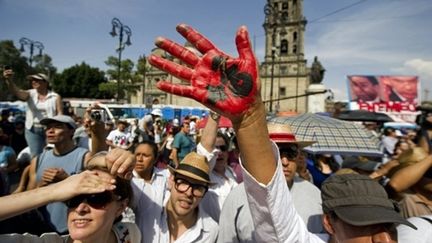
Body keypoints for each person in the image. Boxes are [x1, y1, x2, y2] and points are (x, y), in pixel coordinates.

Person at [148, 23, 415, 242]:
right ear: (329, 224)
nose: (384, 240)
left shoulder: (313, 193)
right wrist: (250, 117)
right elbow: (273, 212)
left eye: (390, 227)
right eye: (363, 225)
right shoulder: (240, 197)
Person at [0, 152, 140, 243]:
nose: (80, 208)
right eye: (73, 199)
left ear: (121, 207)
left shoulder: (128, 234)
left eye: (97, 198)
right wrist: (53, 191)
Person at [217, 122, 323, 242]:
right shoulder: (236, 198)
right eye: (276, 153)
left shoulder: (314, 195)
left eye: (291, 154)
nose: (285, 161)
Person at [3, 70, 63, 157]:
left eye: (37, 80)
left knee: (52, 154)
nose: (34, 82)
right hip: (32, 130)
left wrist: (58, 129)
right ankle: (36, 170)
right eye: (32, 80)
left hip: (50, 129)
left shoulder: (56, 97)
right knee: (36, 156)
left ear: (45, 82)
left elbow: (60, 115)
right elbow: (16, 91)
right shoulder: (30, 94)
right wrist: (9, 80)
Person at [130, 140, 170, 243]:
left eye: (145, 155)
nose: (139, 159)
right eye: (137, 154)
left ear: (155, 159)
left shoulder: (166, 176)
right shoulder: (127, 181)